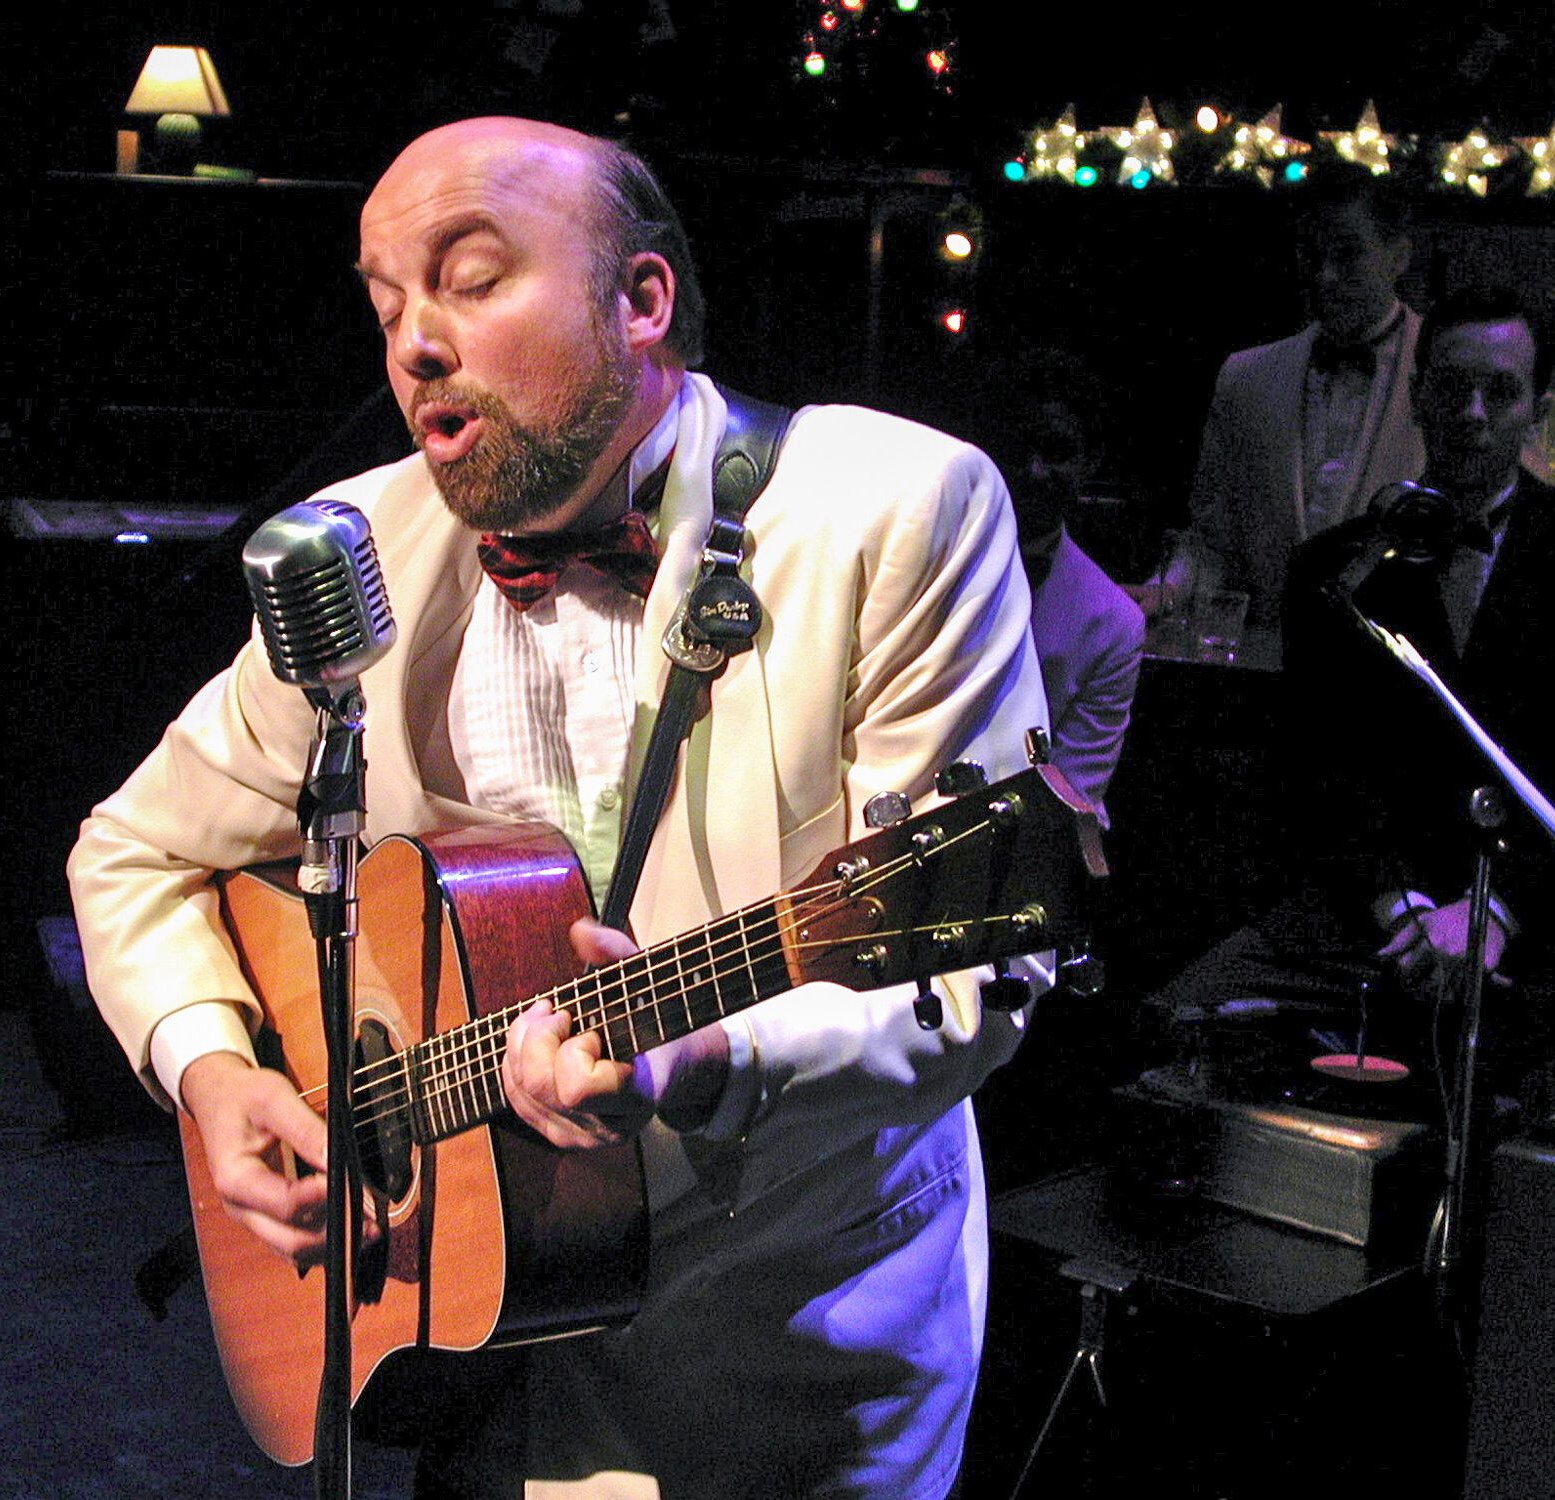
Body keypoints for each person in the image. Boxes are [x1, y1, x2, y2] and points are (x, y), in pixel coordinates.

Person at [67, 117, 1049, 1499]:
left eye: (471, 279)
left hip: (783, 1351)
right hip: (458, 1339)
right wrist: (215, 1076)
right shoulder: (361, 545)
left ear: (639, 300)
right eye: (385, 304)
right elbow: (135, 852)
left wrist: (702, 1062)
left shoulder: (895, 510)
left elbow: (958, 980)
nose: (414, 344)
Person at [1150, 288, 1555, 1100]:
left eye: (1501, 391)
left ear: (1537, 410)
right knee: (1174, 1026)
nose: (1472, 412)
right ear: (1418, 395)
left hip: (1539, 921)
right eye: (1452, 387)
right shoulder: (1336, 568)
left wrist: (1492, 914)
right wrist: (1402, 912)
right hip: (1374, 922)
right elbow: (1317, 780)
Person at [1152, 163, 1427, 630]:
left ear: (1399, 256)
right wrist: (1167, 590)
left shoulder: (1448, 376)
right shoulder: (1247, 378)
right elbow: (1212, 539)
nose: (1325, 277)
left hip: (1402, 660)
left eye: (1346, 255)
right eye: (1312, 256)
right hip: (1272, 654)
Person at [975, 350, 1143, 827]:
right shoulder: (921, 557)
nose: (1033, 470)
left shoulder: (1113, 623)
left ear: (1091, 462)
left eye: (1057, 451)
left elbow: (1071, 795)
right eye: (1019, 448)